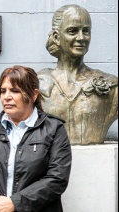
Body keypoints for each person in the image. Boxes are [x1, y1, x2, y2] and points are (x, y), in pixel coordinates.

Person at [0, 66, 72, 212]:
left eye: (15, 91)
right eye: (3, 91)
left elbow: (57, 178)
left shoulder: (53, 129)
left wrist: (15, 203)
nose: (6, 96)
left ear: (33, 94)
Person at [38, 4, 118, 145]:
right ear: (57, 37)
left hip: (97, 162)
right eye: (72, 31)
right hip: (52, 164)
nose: (81, 38)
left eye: (86, 31)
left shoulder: (112, 86)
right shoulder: (37, 84)